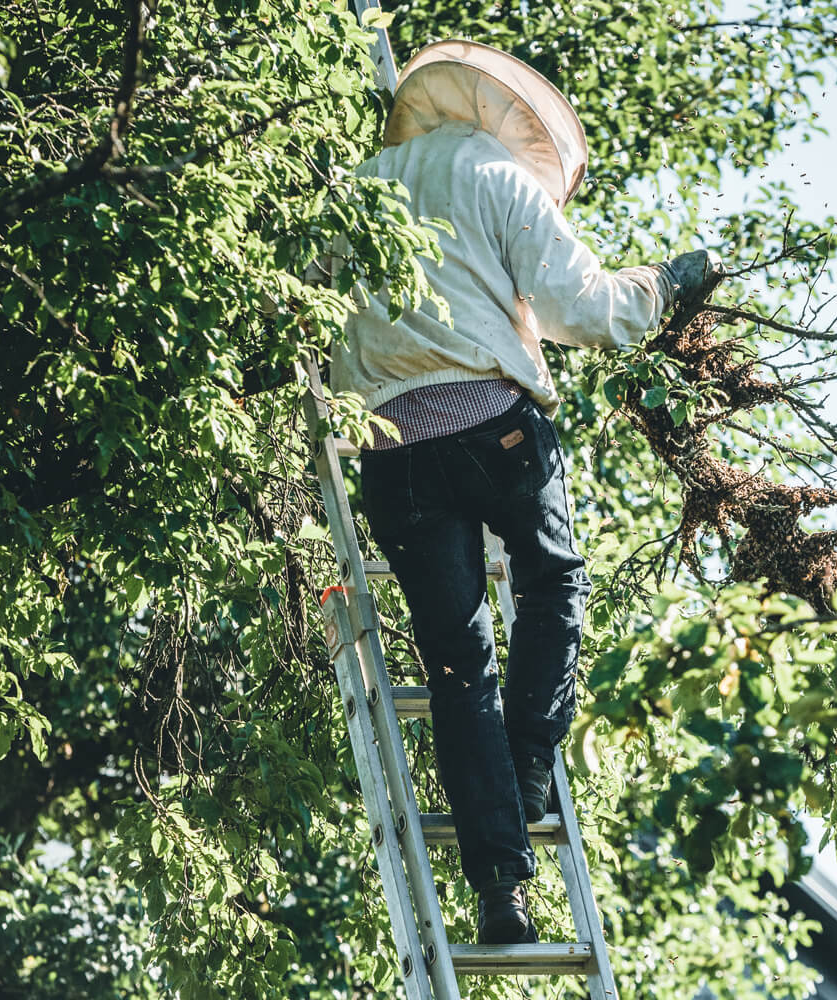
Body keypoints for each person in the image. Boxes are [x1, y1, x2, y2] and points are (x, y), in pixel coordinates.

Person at [330, 40, 720, 945]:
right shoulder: (492, 172)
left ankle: (500, 892)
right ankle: (533, 762)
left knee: (460, 670)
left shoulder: (353, 190)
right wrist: (671, 281)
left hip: (395, 453)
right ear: (505, 120)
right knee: (552, 586)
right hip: (496, 431)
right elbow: (587, 312)